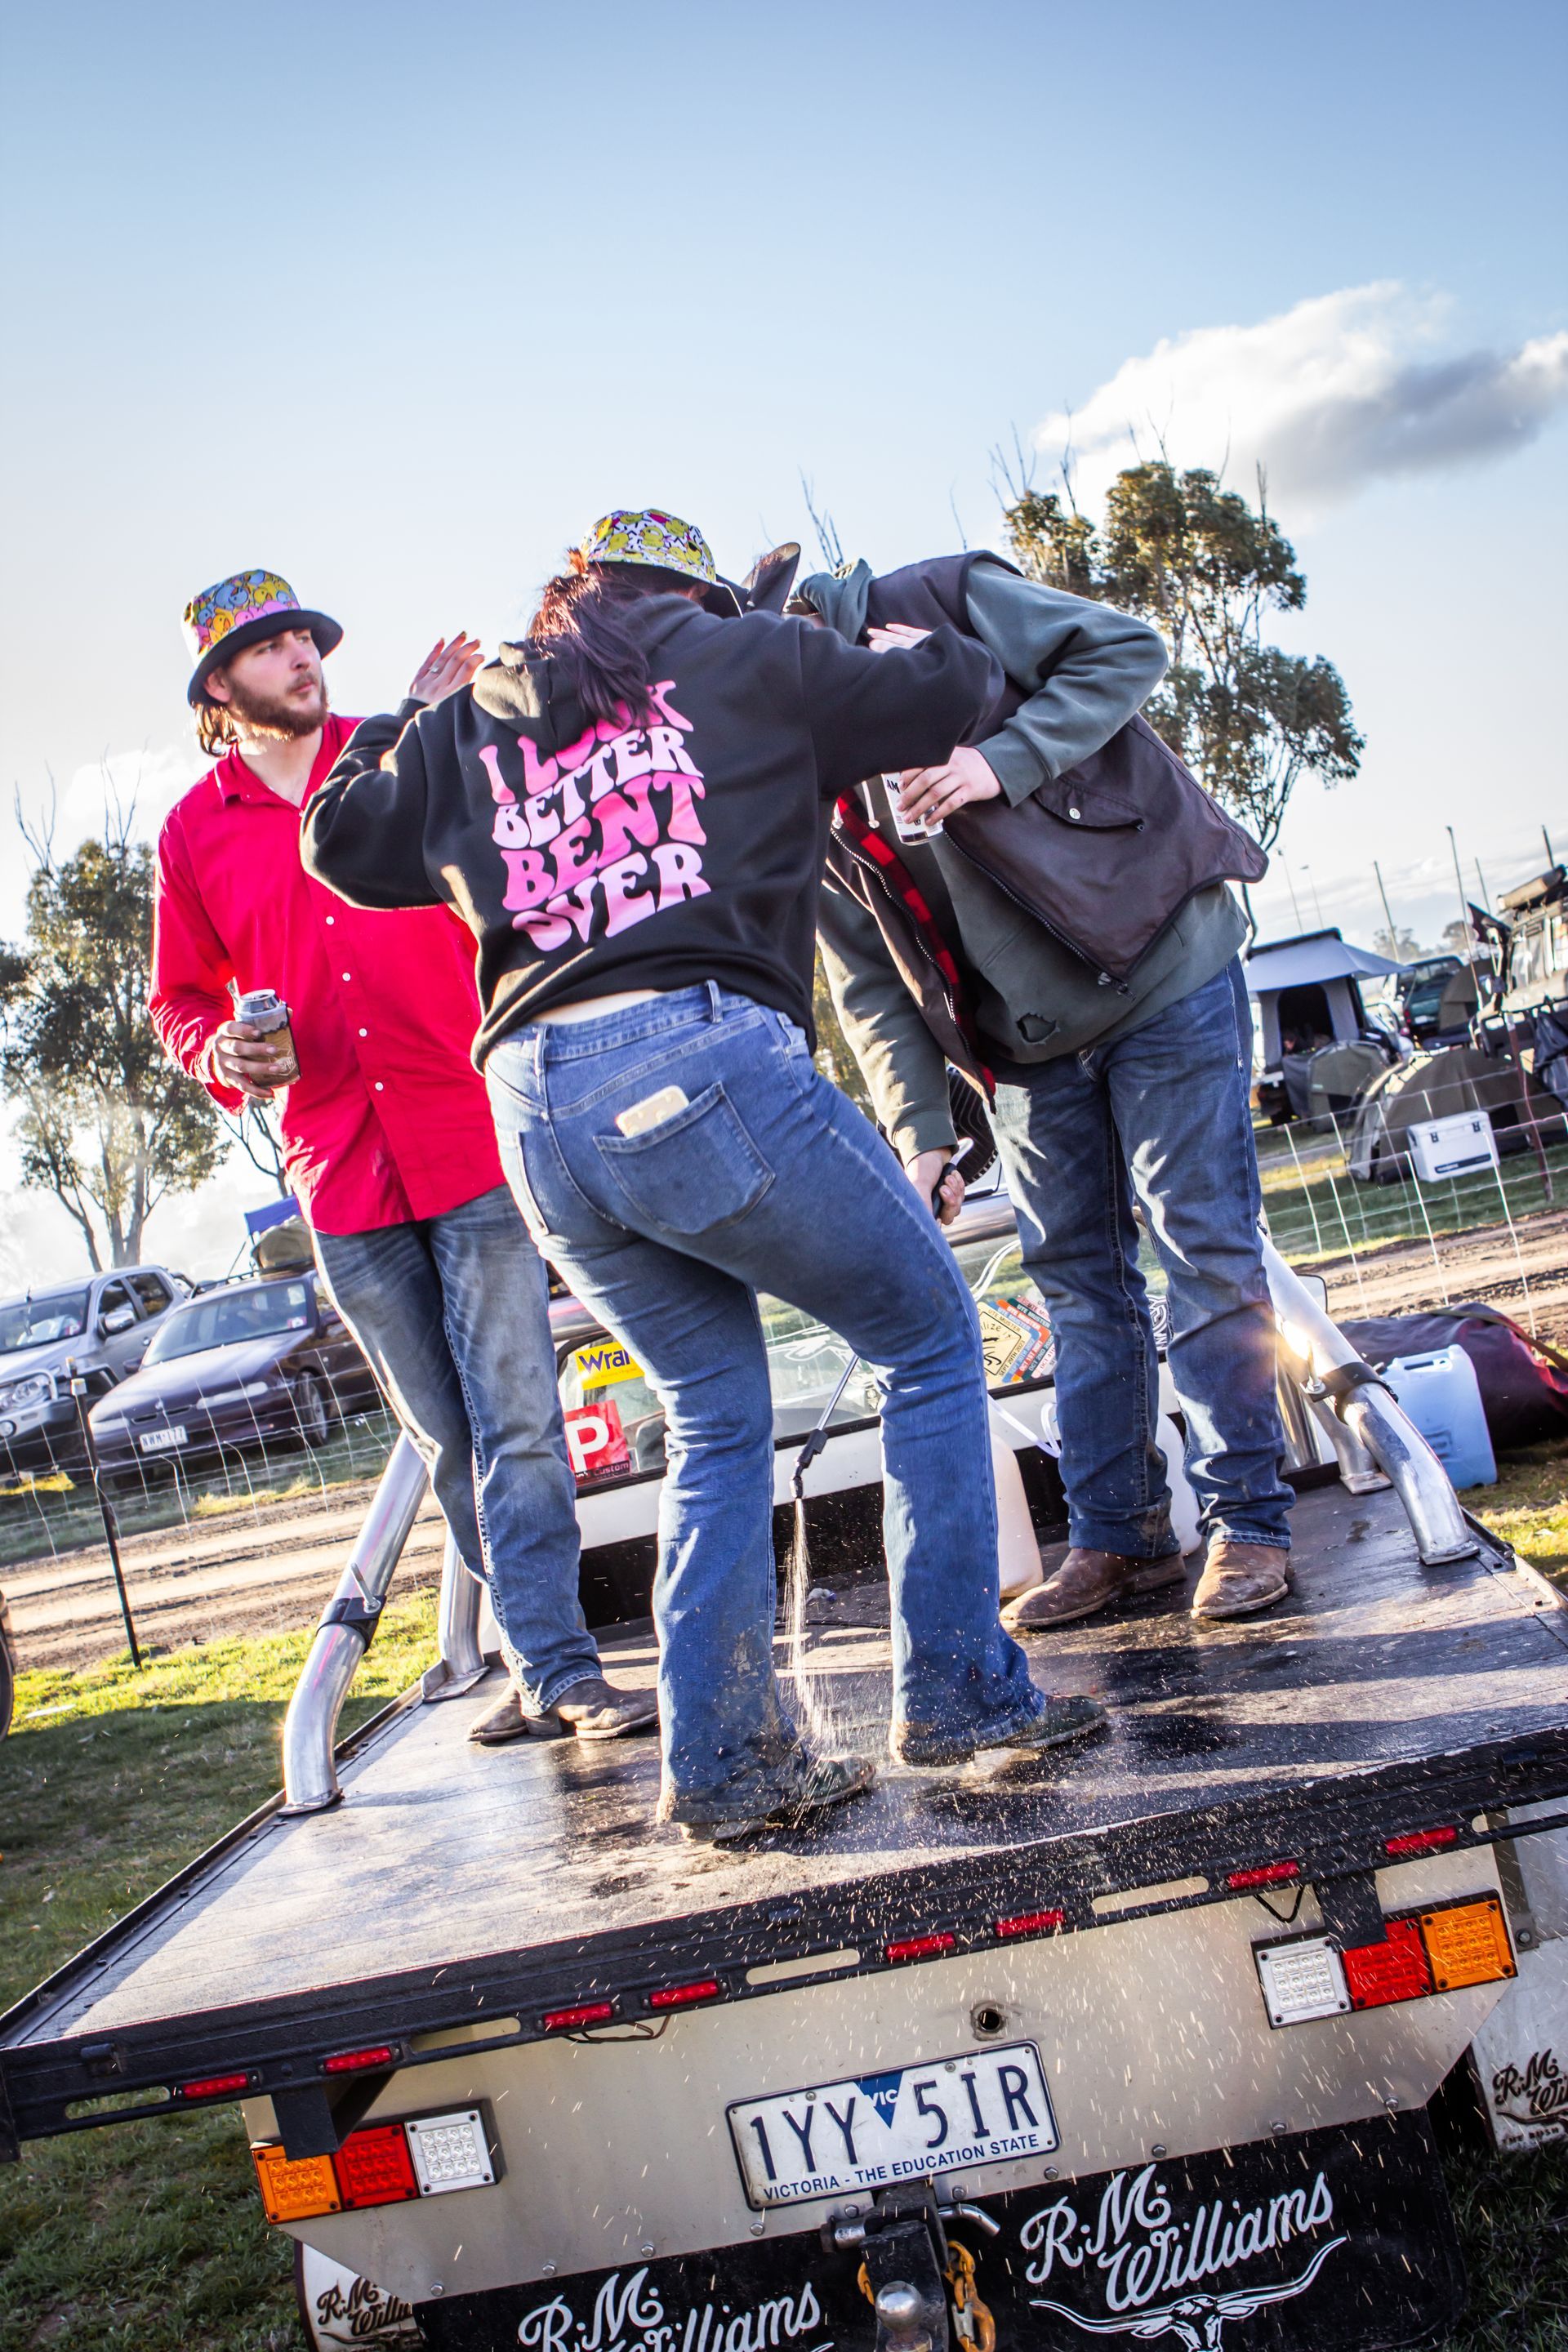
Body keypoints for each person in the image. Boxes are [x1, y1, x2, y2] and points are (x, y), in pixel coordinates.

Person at [302, 509, 1106, 1841]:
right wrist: (894, 639)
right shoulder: (754, 658)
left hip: (532, 1115)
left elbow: (339, 841)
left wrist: (402, 712)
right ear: (696, 593)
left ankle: (728, 1764)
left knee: (719, 1415)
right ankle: (961, 1691)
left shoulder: (471, 715)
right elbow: (951, 691)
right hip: (691, 1057)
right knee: (927, 1334)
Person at [151, 568, 654, 1744]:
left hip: (466, 1136)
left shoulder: (403, 758)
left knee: (520, 1415)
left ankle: (557, 1670)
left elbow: (524, 870)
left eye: (304, 639)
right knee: (449, 1439)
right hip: (338, 1175)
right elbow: (177, 1003)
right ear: (220, 686)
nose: (299, 658)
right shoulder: (190, 833)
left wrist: (445, 729)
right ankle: (545, 1660)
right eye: (268, 648)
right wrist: (224, 1051)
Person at [795, 550, 1292, 1628]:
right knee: (1076, 1281)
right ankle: (1120, 1541)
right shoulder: (801, 776)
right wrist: (921, 1134)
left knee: (1199, 1241)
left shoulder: (939, 603)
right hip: (1024, 1046)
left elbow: (1129, 648)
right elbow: (868, 979)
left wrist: (998, 761)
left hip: (1163, 965)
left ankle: (1250, 1524)